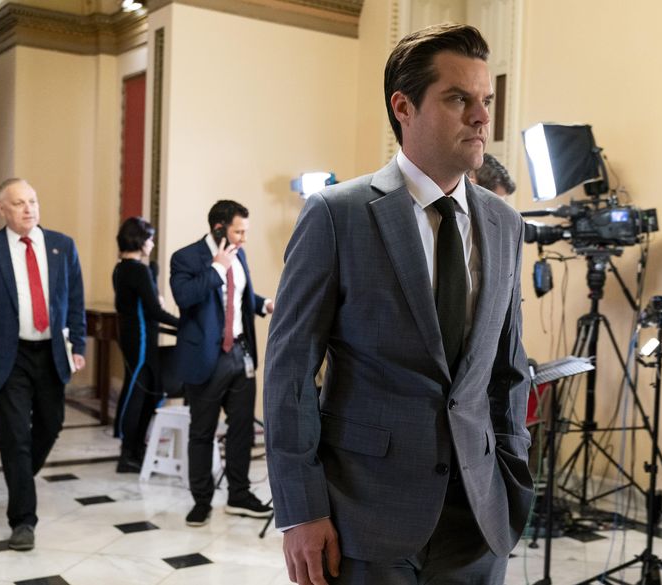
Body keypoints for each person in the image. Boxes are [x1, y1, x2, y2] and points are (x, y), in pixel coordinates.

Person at [263, 23, 533, 585]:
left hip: (479, 520)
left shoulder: (506, 224)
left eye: (486, 100)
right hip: (366, 515)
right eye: (459, 99)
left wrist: (512, 476)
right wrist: (302, 510)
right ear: (403, 106)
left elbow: (506, 370)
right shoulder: (338, 214)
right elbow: (290, 370)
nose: (482, 117)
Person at [0, 178, 86, 551]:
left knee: (51, 424)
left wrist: (77, 341)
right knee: (15, 436)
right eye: (19, 203)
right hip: (10, 356)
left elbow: (75, 299)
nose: (28, 209)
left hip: (51, 351)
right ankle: (23, 520)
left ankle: (19, 479)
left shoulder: (62, 245)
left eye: (32, 201)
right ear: (2, 209)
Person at [169, 200, 274, 527]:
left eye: (245, 232)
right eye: (238, 231)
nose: (243, 239)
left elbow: (241, 297)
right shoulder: (185, 257)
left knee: (242, 430)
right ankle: (201, 502)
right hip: (205, 359)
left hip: (239, 355)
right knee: (202, 432)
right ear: (219, 228)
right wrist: (216, 268)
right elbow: (185, 298)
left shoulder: (239, 254)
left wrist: (265, 303)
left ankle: (239, 495)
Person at [112, 217, 179, 473]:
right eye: (149, 238)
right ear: (139, 240)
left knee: (150, 393)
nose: (152, 243)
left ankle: (136, 448)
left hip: (139, 337)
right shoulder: (137, 271)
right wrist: (184, 324)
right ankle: (128, 452)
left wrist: (153, 271)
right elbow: (155, 310)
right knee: (137, 393)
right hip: (140, 339)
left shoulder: (123, 268)